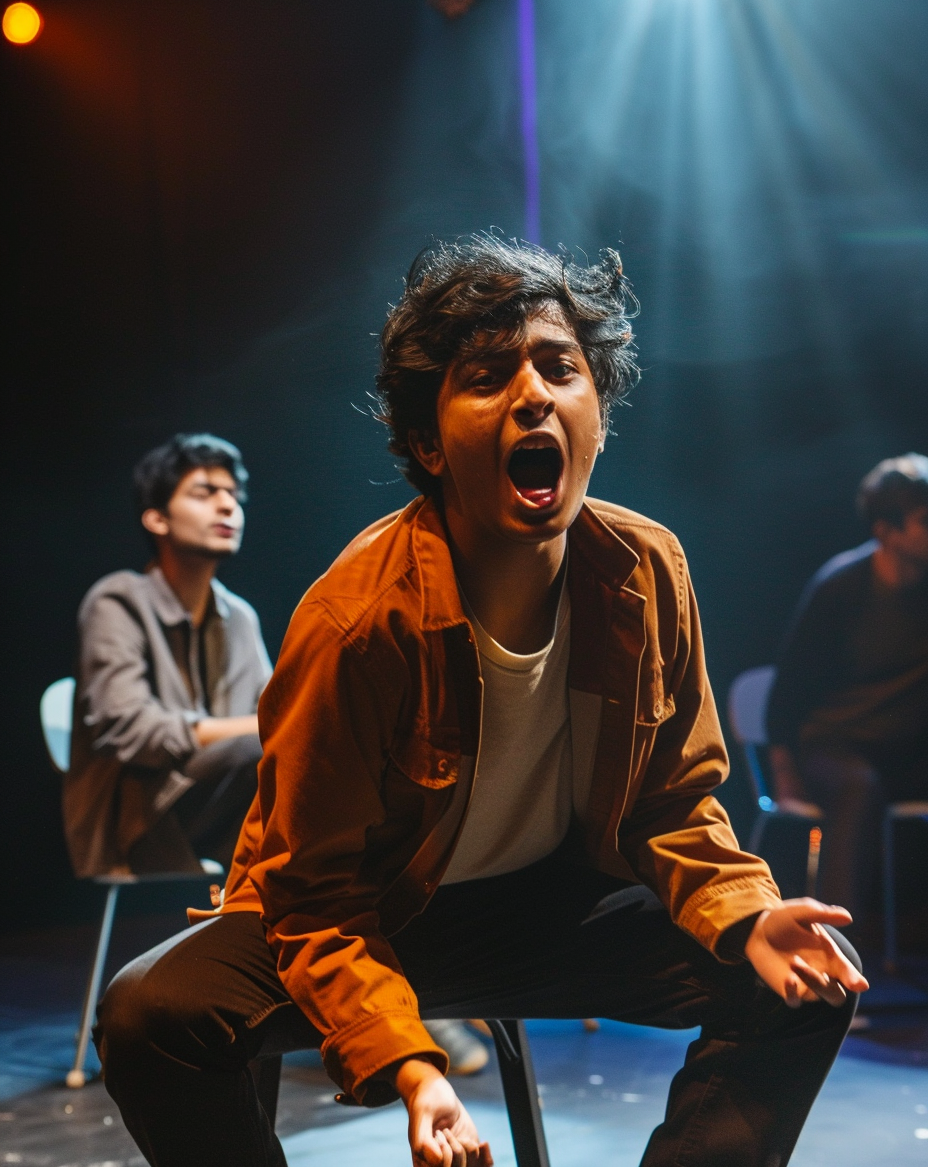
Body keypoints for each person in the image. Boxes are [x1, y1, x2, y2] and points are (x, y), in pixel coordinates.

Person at [96, 238, 867, 1167]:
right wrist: (414, 1072)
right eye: (488, 376)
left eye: (559, 367)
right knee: (151, 1014)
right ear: (429, 440)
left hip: (555, 909)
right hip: (378, 915)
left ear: (598, 416)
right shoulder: (359, 619)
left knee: (800, 976)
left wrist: (748, 916)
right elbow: (317, 899)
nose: (533, 393)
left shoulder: (645, 570)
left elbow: (673, 804)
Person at [63, 433, 272, 878]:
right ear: (157, 519)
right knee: (267, 745)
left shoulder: (239, 617)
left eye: (233, 495)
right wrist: (259, 728)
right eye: (205, 492)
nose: (227, 505)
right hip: (137, 817)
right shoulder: (117, 600)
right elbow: (129, 732)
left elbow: (273, 715)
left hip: (222, 805)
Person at [766, 453, 928, 924]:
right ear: (887, 531)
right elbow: (788, 691)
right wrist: (784, 773)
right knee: (859, 788)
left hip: (906, 750)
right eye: (924, 520)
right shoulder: (841, 587)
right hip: (835, 746)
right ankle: (836, 944)